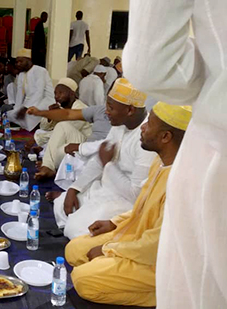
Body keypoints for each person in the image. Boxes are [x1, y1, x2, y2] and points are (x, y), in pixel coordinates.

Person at [123, 1, 227, 307]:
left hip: (215, 161)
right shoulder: (155, 160)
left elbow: (152, 67)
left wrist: (210, 79)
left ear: (167, 136)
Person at [65, 102, 191, 307]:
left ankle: (164, 294)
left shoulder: (181, 184)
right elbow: (142, 207)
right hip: (135, 237)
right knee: (74, 250)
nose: (142, 127)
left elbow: (154, 246)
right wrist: (114, 223)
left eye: (148, 124)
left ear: (165, 137)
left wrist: (108, 249)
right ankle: (109, 270)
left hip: (158, 262)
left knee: (82, 279)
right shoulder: (159, 163)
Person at [50, 78, 156, 240]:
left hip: (124, 201)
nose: (106, 112)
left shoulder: (147, 137)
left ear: (130, 110)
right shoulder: (119, 124)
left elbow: (136, 195)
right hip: (104, 187)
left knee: (74, 228)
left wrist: (108, 165)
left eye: (110, 108)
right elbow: (98, 161)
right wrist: (75, 188)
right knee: (61, 204)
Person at [26, 78, 92, 179]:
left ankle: (47, 164)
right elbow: (44, 127)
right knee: (43, 132)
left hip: (83, 145)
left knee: (62, 126)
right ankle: (49, 165)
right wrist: (50, 116)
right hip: (69, 143)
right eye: (55, 93)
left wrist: (36, 139)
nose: (57, 97)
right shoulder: (62, 108)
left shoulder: (81, 108)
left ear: (72, 93)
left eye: (61, 93)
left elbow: (63, 129)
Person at [6, 48, 55, 131]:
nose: (18, 64)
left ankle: (32, 127)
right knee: (11, 114)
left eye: (21, 61)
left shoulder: (40, 71)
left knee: (29, 114)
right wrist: (17, 109)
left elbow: (39, 93)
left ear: (29, 60)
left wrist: (26, 107)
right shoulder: (21, 74)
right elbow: (19, 95)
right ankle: (22, 125)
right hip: (29, 102)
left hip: (44, 100)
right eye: (17, 62)